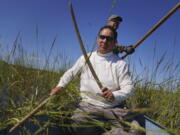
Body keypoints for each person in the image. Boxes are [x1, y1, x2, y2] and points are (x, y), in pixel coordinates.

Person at [50, 26, 143, 135]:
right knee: (76, 125)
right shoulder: (86, 57)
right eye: (102, 37)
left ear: (115, 43)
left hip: (113, 109)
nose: (104, 41)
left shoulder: (120, 64)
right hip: (88, 106)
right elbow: (71, 73)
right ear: (97, 39)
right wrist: (60, 85)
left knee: (136, 130)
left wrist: (114, 95)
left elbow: (129, 88)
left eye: (109, 38)